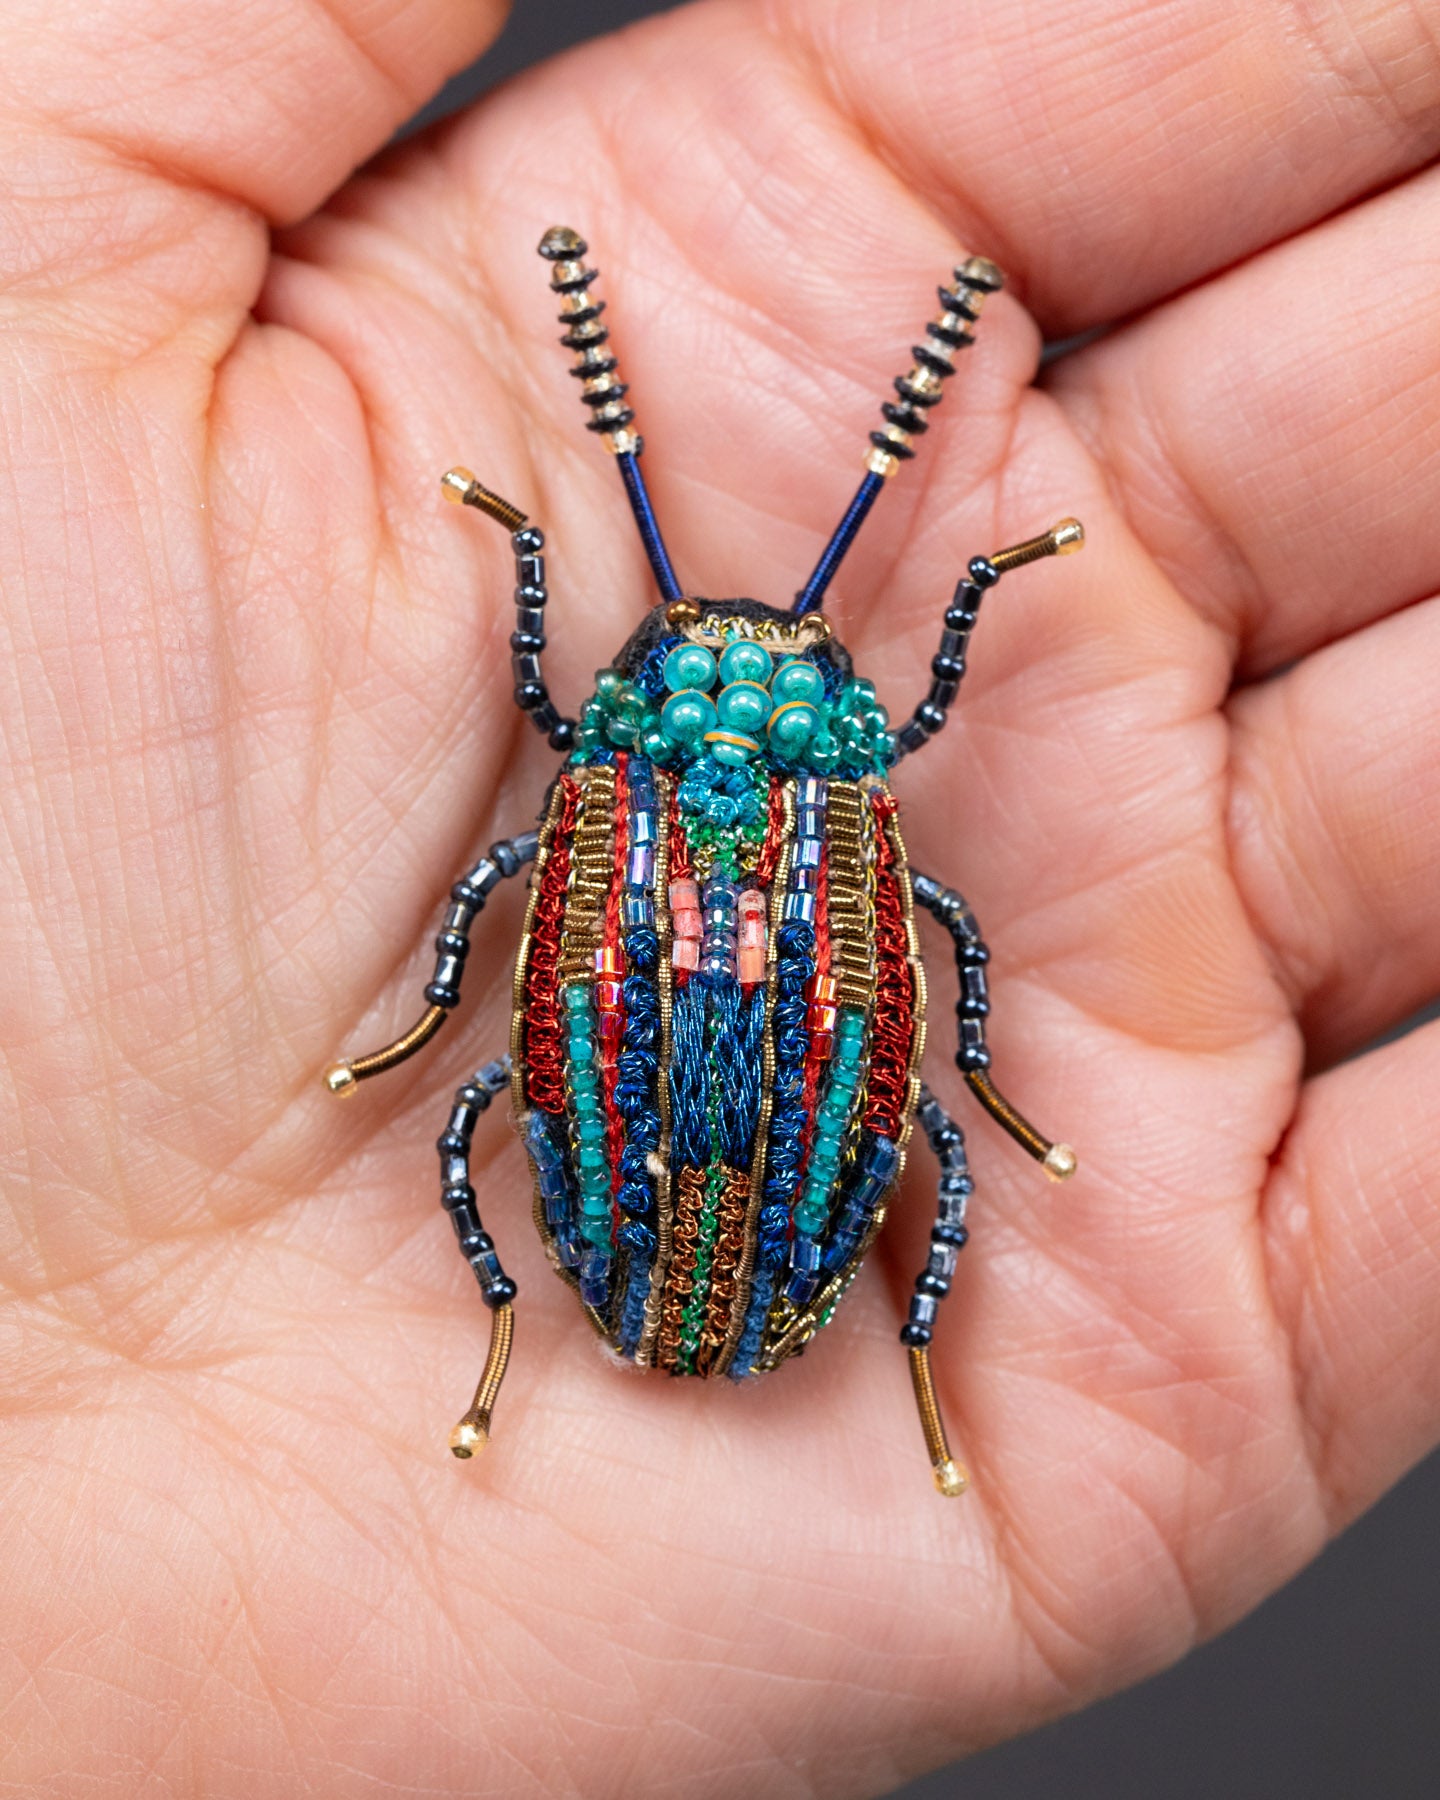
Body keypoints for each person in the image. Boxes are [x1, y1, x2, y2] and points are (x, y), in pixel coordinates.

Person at [2, 0, 1437, 1791]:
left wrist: (549, 568)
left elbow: (540, 837)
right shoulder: (839, 799)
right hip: (742, 1193)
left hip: (657, 1182)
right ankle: (829, 1343)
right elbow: (932, 901)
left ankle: (752, 1346)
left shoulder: (603, 785)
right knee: (883, 1120)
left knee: (485, 1122)